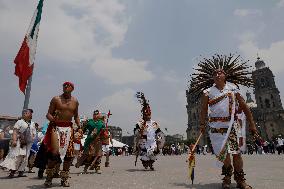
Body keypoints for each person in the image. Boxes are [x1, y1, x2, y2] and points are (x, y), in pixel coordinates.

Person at [189, 54, 259, 189]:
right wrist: (202, 124)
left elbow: (244, 107)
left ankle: (240, 180)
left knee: (236, 154)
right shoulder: (207, 92)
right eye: (214, 73)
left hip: (232, 126)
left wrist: (252, 124)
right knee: (224, 156)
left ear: (225, 75)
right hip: (216, 128)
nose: (217, 75)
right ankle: (227, 178)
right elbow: (203, 110)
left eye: (220, 73)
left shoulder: (233, 89)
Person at [43, 81, 80, 187]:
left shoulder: (75, 101)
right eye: (64, 85)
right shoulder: (56, 99)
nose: (65, 86)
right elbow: (48, 114)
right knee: (54, 153)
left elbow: (76, 115)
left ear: (72, 88)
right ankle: (49, 177)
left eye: (68, 85)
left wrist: (79, 125)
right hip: (56, 126)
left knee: (69, 154)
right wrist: (53, 119)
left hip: (69, 127)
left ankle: (64, 178)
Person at [0, 109, 36, 178]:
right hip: (19, 142)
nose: (31, 115)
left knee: (25, 157)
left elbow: (33, 133)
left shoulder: (32, 123)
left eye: (31, 113)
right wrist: (14, 140)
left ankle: (21, 172)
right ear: (24, 114)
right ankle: (12, 172)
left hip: (28, 143)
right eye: (29, 113)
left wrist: (32, 138)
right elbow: (15, 131)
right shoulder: (20, 122)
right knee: (17, 156)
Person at [134, 92, 164, 170]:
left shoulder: (154, 123)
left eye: (149, 114)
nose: (148, 116)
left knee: (153, 154)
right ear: (144, 115)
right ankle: (146, 163)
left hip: (153, 142)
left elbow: (159, 132)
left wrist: (159, 139)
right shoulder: (140, 123)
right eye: (146, 115)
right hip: (144, 142)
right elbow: (136, 133)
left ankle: (150, 164)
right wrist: (139, 131)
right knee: (145, 157)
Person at [75, 110, 106, 174]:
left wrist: (104, 135)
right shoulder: (89, 122)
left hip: (98, 141)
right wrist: (79, 133)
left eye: (97, 114)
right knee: (88, 154)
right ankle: (85, 168)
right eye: (94, 114)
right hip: (89, 140)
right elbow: (83, 129)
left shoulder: (101, 123)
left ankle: (97, 168)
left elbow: (104, 132)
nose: (95, 115)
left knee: (98, 155)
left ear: (99, 115)